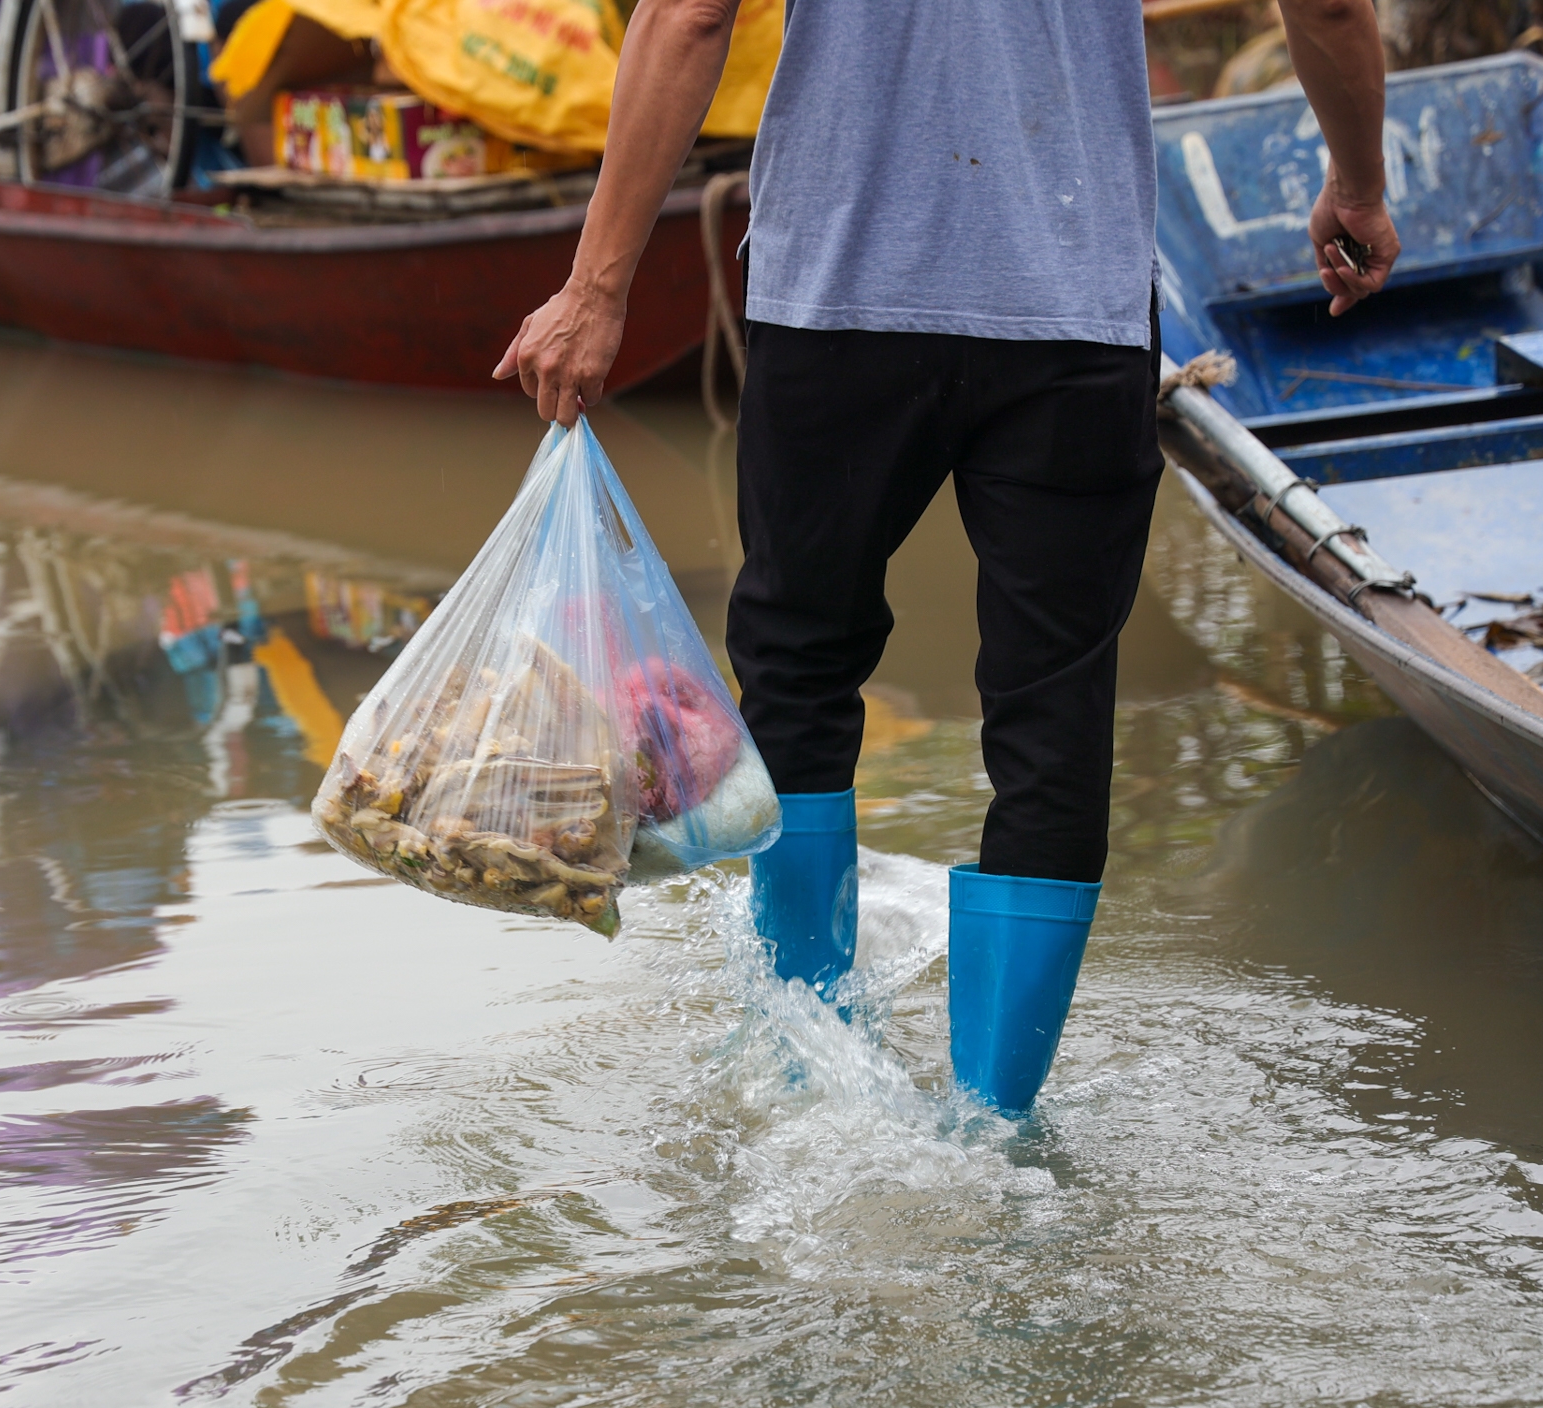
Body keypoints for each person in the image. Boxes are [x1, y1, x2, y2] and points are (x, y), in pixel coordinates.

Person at [496, 0, 1398, 1113]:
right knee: (1051, 712)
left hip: (835, 294)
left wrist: (596, 289)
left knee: (798, 668)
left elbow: (689, 15)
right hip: (1071, 312)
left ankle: (800, 1061)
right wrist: (1356, 184)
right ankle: (993, 1130)